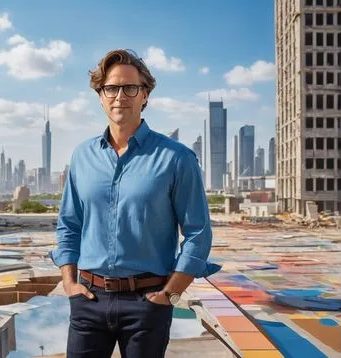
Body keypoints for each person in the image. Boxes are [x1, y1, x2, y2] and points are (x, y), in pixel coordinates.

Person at [50, 48, 220, 358]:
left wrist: (170, 294)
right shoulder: (82, 157)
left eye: (130, 87)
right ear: (100, 95)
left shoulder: (176, 159)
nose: (120, 96)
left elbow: (198, 232)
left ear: (145, 95)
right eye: (111, 88)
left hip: (147, 303)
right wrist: (70, 283)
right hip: (88, 300)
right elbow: (69, 225)